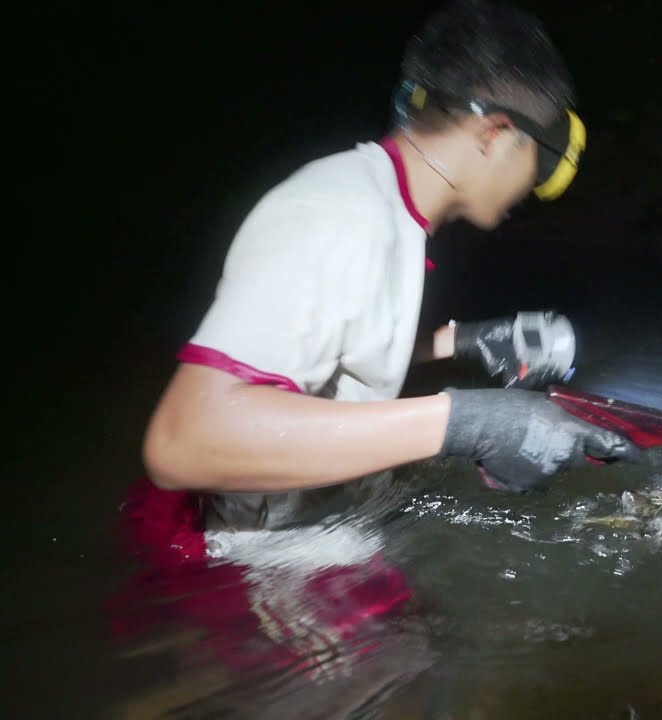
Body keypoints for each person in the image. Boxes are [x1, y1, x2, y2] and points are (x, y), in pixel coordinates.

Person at [110, 0, 631, 713]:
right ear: (497, 134)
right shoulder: (337, 214)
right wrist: (469, 423)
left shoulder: (386, 207)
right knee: (405, 678)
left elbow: (330, 345)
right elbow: (184, 440)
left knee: (422, 655)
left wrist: (466, 344)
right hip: (230, 560)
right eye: (537, 166)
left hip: (291, 527)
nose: (533, 191)